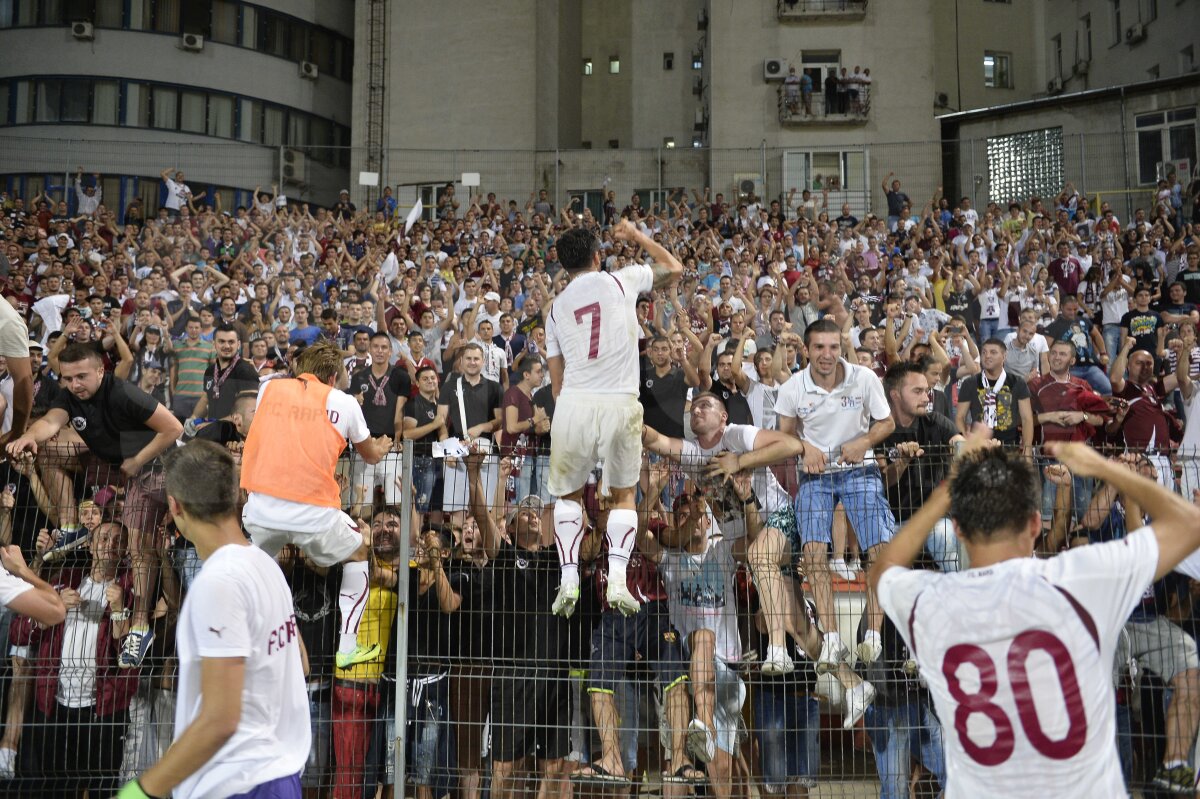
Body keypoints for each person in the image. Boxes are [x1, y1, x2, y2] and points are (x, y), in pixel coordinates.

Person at [870, 433, 1200, 797]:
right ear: (1033, 524)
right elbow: (1190, 525)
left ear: (959, 529)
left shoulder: (933, 602)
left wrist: (948, 489)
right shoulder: (1081, 580)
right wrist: (1106, 469)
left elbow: (883, 568)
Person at [116, 440, 309, 799]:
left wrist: (143, 790)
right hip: (275, 776)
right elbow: (301, 662)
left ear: (174, 505)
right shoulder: (265, 565)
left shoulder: (218, 583)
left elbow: (220, 719)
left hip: (238, 784)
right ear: (234, 494)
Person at [6, 343, 183, 668]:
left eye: (82, 377)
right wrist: (31, 435)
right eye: (68, 378)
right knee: (140, 548)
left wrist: (136, 459)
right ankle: (140, 627)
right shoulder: (70, 396)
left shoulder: (123, 393)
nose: (74, 384)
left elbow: (174, 428)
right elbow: (51, 422)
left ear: (101, 371)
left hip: (168, 466)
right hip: (131, 470)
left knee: (160, 544)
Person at [546, 219, 682, 617]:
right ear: (596, 256)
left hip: (574, 401)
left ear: (563, 264)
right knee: (624, 494)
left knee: (568, 495)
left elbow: (556, 384)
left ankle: (569, 576)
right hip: (620, 401)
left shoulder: (555, 310)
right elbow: (674, 268)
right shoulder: (619, 281)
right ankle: (619, 579)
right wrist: (637, 237)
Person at [239, 342, 393, 670]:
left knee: (256, 570)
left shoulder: (269, 387)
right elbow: (370, 456)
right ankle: (347, 646)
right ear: (335, 376)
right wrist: (382, 445)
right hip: (314, 513)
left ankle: (246, 638)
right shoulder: (346, 402)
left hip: (262, 507)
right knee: (359, 550)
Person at [774, 318, 893, 717]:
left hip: (860, 470)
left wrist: (863, 441)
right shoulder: (793, 388)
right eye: (819, 347)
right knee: (811, 555)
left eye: (832, 346)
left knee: (879, 551)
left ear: (841, 345)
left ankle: (873, 632)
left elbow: (887, 423)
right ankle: (833, 640)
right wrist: (804, 446)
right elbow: (784, 436)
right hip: (816, 477)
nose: (826, 354)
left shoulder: (863, 379)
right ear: (806, 350)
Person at [955, 338, 1034, 457]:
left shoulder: (1017, 382)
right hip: (978, 449)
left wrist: (1027, 449)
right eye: (984, 352)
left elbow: (1027, 419)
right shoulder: (970, 383)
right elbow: (960, 417)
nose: (987, 356)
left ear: (1004, 356)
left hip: (1009, 448)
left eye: (993, 352)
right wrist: (965, 439)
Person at [190, 323, 260, 422]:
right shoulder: (210, 370)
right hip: (214, 431)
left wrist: (214, 425)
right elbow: (206, 397)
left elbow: (248, 411)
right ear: (214, 344)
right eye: (222, 342)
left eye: (231, 342)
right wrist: (193, 418)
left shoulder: (246, 370)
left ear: (238, 344)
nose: (226, 346)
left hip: (235, 434)